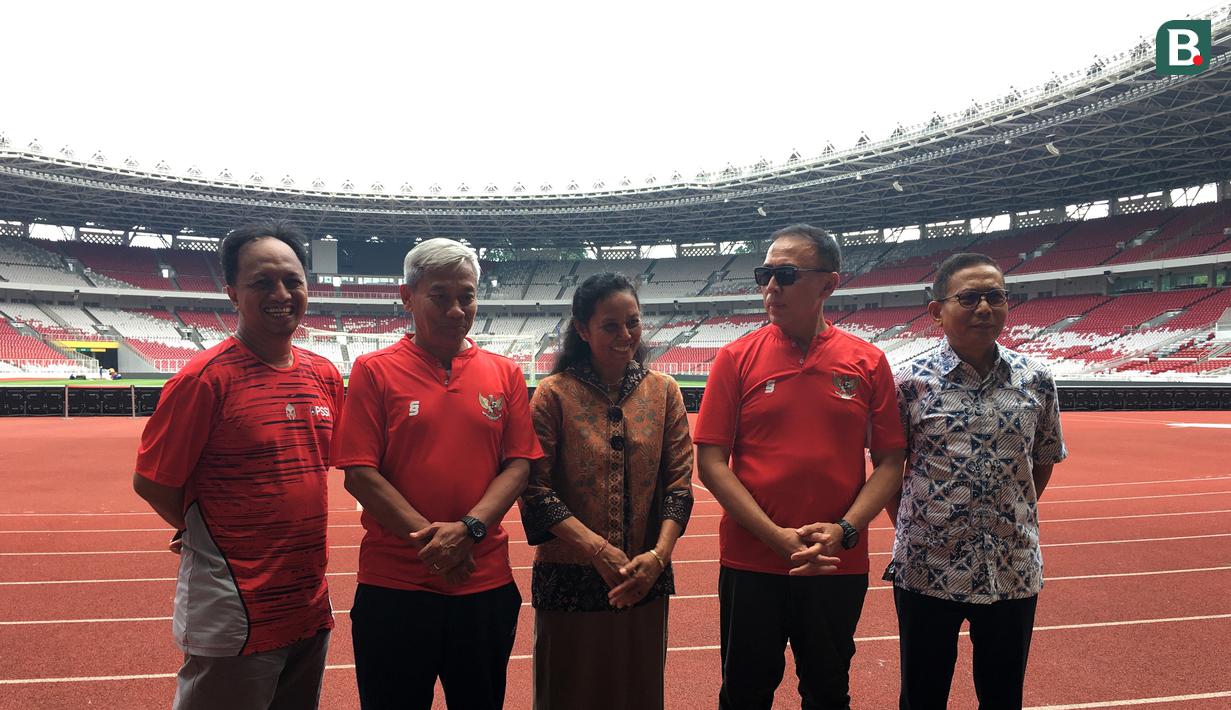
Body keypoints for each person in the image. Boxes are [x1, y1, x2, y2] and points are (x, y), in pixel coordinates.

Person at [694, 223, 907, 710]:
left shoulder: (868, 361)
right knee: (744, 692)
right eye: (764, 274)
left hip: (836, 561)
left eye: (785, 275)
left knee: (829, 690)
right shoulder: (734, 357)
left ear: (829, 284)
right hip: (752, 562)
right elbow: (710, 462)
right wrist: (775, 536)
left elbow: (891, 460)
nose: (771, 287)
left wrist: (844, 531)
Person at [132, 220, 343, 710]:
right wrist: (197, 526)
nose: (282, 294)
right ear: (231, 292)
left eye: (293, 281)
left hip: (308, 606)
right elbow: (152, 481)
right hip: (234, 612)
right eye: (262, 282)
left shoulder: (324, 376)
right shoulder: (204, 381)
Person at [333, 237, 543, 710]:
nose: (456, 309)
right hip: (395, 586)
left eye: (466, 295)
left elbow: (519, 465)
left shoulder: (505, 373)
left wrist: (468, 532)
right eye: (440, 295)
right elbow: (360, 473)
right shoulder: (374, 370)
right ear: (408, 297)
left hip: (485, 584)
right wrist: (436, 545)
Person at [887, 252, 1067, 710]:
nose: (984, 308)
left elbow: (1042, 460)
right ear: (936, 311)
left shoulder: (1037, 379)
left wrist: (1010, 513)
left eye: (995, 297)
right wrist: (916, 525)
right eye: (969, 298)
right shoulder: (908, 382)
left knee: (1004, 696)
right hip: (928, 567)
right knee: (922, 696)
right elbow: (889, 470)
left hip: (1012, 567)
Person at [519, 272, 694, 710]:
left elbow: (678, 486)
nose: (626, 335)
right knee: (567, 692)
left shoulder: (664, 392)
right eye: (610, 326)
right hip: (570, 576)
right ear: (582, 329)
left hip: (643, 574)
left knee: (637, 690)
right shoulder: (553, 395)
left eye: (632, 322)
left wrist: (657, 558)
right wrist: (599, 551)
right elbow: (535, 490)